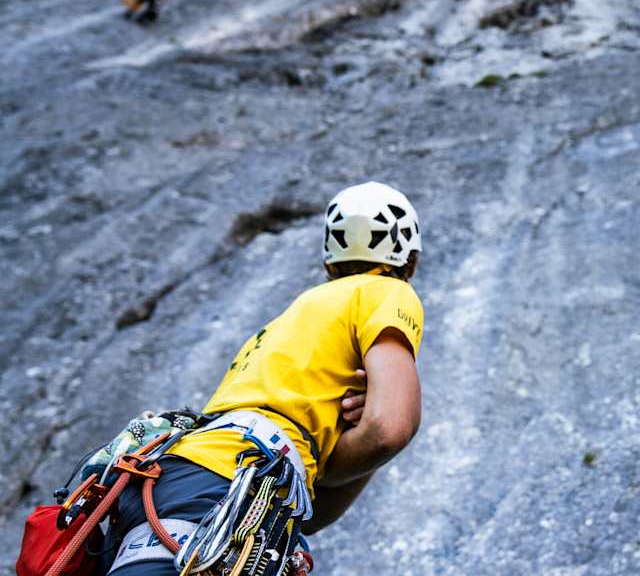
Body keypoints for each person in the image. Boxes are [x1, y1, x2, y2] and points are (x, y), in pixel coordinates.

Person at [96, 180, 427, 574]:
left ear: (329, 261)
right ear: (410, 260)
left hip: (168, 483)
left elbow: (310, 517)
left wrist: (343, 436)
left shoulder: (283, 325)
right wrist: (357, 441)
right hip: (234, 489)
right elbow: (390, 429)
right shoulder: (387, 291)